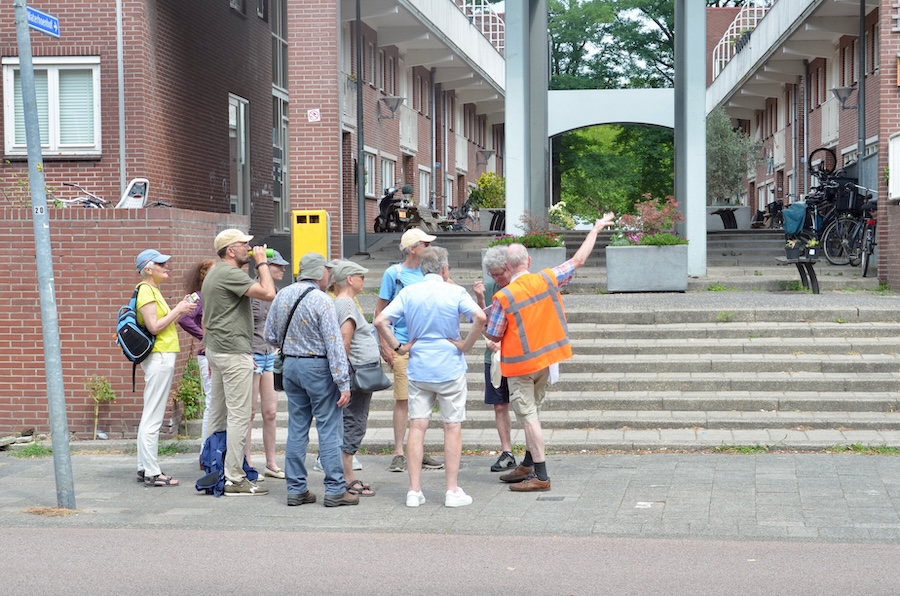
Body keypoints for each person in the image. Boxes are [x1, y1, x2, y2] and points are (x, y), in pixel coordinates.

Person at [484, 214, 615, 492]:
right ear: (528, 262)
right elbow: (578, 260)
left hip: (520, 367)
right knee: (534, 413)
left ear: (507, 267)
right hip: (547, 361)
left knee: (528, 417)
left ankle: (540, 475)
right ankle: (529, 464)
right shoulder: (547, 278)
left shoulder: (504, 297)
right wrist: (596, 229)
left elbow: (493, 335)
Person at [374, 246, 485, 508]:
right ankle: (451, 489)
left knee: (418, 426)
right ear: (445, 269)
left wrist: (399, 346)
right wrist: (465, 345)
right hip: (449, 366)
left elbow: (380, 321)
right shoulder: (454, 291)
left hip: (419, 366)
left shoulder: (410, 292)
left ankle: (414, 490)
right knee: (452, 426)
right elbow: (479, 316)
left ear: (422, 268)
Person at [264, 252, 358, 508]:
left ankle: (296, 488)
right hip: (317, 365)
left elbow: (269, 334)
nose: (329, 275)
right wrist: (343, 382)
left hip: (290, 366)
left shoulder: (282, 294)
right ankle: (336, 489)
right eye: (327, 270)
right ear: (320, 273)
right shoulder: (321, 300)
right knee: (329, 428)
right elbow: (334, 343)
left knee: (297, 427)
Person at [202, 229, 276, 497]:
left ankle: (214, 467)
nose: (250, 248)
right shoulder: (230, 273)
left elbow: (206, 318)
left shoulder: (214, 273)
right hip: (233, 353)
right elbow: (268, 293)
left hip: (218, 350)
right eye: (244, 245)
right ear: (230, 251)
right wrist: (263, 263)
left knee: (219, 413)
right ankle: (234, 477)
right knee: (239, 415)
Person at [374, 228, 444, 473]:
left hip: (427, 345)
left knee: (424, 399)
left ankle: (418, 449)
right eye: (426, 244)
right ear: (413, 248)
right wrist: (386, 343)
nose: (430, 247)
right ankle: (398, 452)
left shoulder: (431, 274)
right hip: (402, 345)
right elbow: (380, 311)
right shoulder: (395, 273)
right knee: (403, 399)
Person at [134, 249, 197, 487]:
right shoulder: (146, 291)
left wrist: (179, 309)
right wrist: (178, 310)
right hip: (159, 356)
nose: (166, 266)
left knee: (150, 413)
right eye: (160, 263)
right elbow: (154, 326)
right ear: (148, 269)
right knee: (153, 416)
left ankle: (144, 467)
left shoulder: (152, 290)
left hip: (161, 356)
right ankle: (151, 471)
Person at [331, 260, 379, 497]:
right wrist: (342, 378)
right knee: (354, 421)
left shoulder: (342, 303)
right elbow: (344, 341)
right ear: (350, 279)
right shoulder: (346, 305)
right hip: (355, 372)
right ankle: (346, 477)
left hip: (354, 371)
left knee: (352, 421)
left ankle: (343, 474)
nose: (363, 280)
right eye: (360, 276)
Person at [245, 250, 290, 479]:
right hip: (251, 353)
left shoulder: (279, 293)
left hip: (269, 354)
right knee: (249, 412)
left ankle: (271, 462)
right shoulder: (250, 290)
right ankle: (247, 462)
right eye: (278, 266)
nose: (282, 270)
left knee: (271, 412)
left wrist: (278, 345)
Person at [472, 246, 516, 473]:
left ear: (509, 268)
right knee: (500, 405)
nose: (497, 279)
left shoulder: (519, 287)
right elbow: (483, 322)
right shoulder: (489, 288)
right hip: (495, 356)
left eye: (500, 274)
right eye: (493, 275)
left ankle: (531, 452)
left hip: (517, 354)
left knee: (522, 404)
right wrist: (480, 298)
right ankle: (507, 451)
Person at [178, 258, 216, 446]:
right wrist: (204, 337)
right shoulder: (199, 296)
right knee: (211, 401)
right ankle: (205, 449)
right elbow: (184, 319)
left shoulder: (213, 295)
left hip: (215, 352)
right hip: (206, 354)